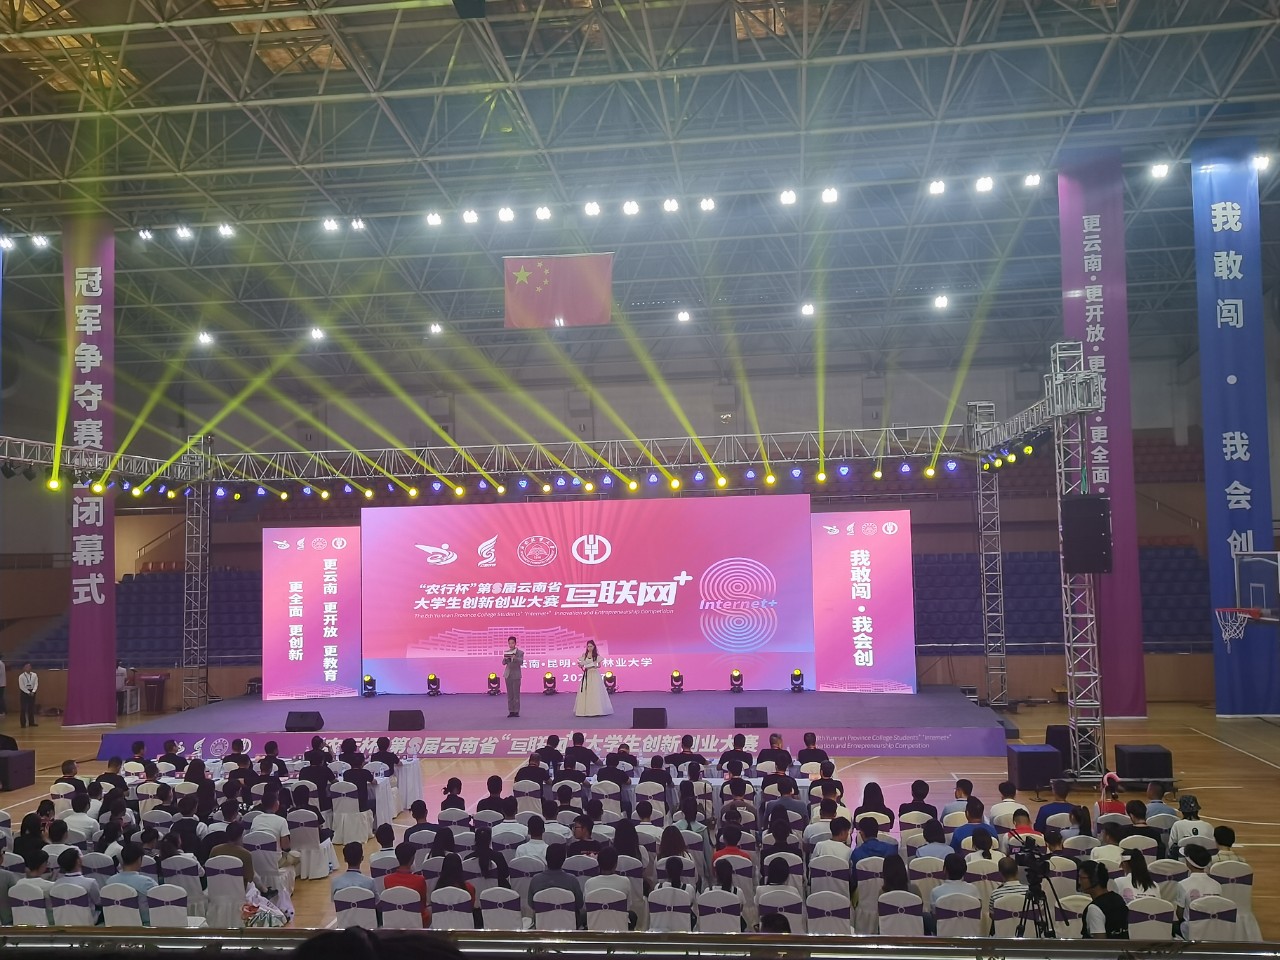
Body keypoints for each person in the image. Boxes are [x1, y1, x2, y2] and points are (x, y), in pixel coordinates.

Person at [526, 844, 583, 923]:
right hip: (568, 924)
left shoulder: (536, 880)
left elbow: (532, 904)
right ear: (564, 860)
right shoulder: (572, 880)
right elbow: (579, 904)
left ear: (546, 858)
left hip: (542, 925)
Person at [585, 846, 639, 929]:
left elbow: (586, 908)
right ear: (616, 864)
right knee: (632, 915)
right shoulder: (625, 881)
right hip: (619, 924)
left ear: (598, 863)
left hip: (595, 924)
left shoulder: (589, 883)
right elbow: (627, 907)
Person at [1174, 844, 1222, 936]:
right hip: (1212, 929)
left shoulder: (1182, 884)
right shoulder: (1217, 885)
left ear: (1188, 863)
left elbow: (1180, 914)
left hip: (1190, 930)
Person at [1077, 860, 1129, 939]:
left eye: (1082, 878)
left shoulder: (1094, 908)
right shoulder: (1118, 899)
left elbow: (1100, 943)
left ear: (1094, 880)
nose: (1079, 882)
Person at [382, 841, 430, 926]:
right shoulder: (420, 880)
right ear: (412, 859)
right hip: (416, 921)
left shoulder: (387, 879)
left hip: (395, 920)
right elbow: (423, 904)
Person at [111, 842, 158, 922]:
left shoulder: (110, 881)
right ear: (139, 859)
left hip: (116, 923)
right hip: (144, 924)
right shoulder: (147, 883)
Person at [573, 639, 613, 717]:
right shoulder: (584, 655)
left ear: (594, 647)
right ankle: (584, 710)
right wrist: (581, 665)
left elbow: (599, 665)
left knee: (595, 690)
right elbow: (582, 664)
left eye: (591, 646)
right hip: (587, 674)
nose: (589, 648)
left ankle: (596, 710)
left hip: (594, 674)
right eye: (588, 646)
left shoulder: (596, 656)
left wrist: (594, 666)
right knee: (586, 690)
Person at [502, 635, 523, 718]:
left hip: (516, 675)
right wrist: (505, 659)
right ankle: (511, 711)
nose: (511, 645)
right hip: (508, 675)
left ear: (515, 643)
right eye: (509, 643)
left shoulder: (520, 652)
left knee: (516, 694)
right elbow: (503, 663)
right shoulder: (507, 652)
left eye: (512, 643)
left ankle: (516, 711)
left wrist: (515, 658)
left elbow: (521, 662)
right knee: (510, 694)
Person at [18, 662, 38, 727]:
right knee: (23, 708)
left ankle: (31, 722)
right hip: (24, 692)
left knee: (31, 708)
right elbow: (21, 686)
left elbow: (36, 684)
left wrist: (33, 691)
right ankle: (23, 723)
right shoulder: (21, 676)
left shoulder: (34, 675)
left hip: (32, 692)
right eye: (26, 666)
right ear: (23, 668)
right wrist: (28, 692)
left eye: (29, 666)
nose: (28, 668)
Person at [0, 652, 6, 717]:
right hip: (2, 683)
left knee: (0, 698)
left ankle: (1, 711)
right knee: (1, 697)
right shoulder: (2, 663)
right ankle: (3, 711)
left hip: (1, 684)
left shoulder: (0, 663)